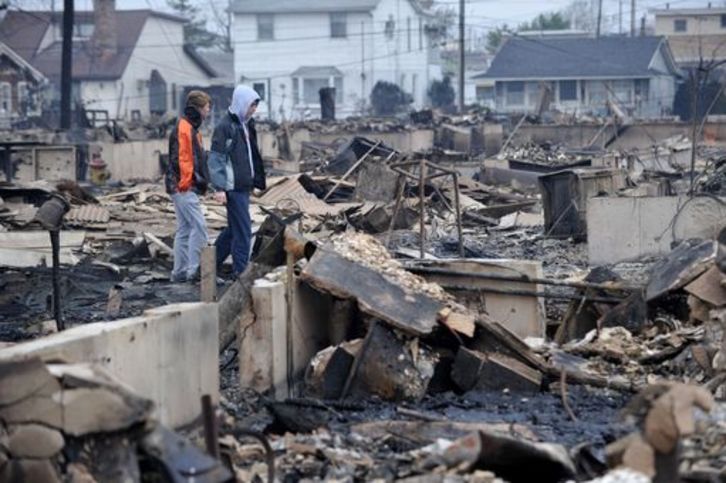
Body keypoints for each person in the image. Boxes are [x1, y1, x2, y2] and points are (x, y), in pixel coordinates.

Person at [208, 85, 266, 278]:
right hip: (232, 188)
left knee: (234, 229)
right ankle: (240, 272)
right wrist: (219, 187)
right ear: (242, 103)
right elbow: (216, 159)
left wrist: (255, 181)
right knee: (243, 230)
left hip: (243, 186)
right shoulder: (225, 127)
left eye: (255, 106)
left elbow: (252, 156)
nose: (254, 110)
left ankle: (209, 265)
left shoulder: (246, 124)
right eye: (252, 105)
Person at [165, 90, 212, 282]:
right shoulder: (186, 128)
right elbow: (184, 158)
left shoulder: (189, 126)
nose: (209, 111)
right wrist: (187, 184)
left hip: (177, 185)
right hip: (183, 186)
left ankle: (179, 272)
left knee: (185, 228)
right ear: (200, 108)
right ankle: (194, 271)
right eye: (207, 107)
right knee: (199, 227)